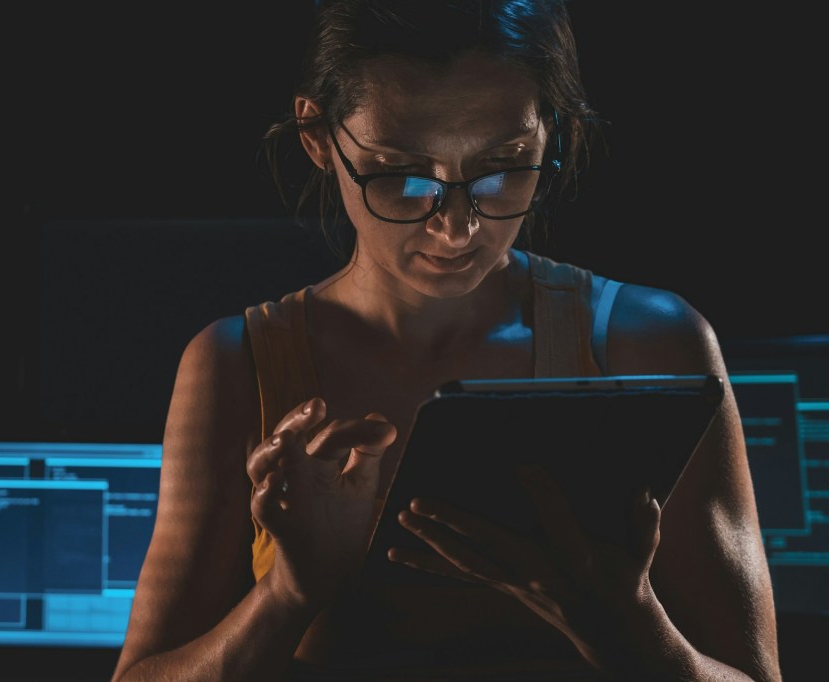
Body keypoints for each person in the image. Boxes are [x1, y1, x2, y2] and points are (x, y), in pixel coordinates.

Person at [110, 1, 782, 680]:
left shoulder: (649, 345)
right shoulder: (238, 365)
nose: (456, 229)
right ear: (316, 136)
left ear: (552, 135)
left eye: (502, 169)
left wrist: (630, 625)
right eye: (400, 175)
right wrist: (289, 595)